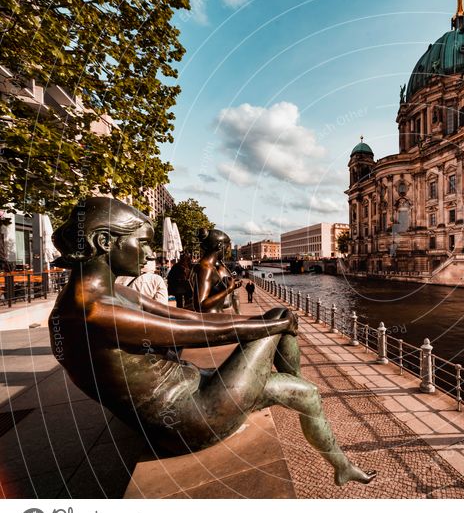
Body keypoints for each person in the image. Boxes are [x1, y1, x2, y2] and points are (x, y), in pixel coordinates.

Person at [49, 198, 375, 485]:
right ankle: (292, 379)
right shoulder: (93, 311)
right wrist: (269, 322)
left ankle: (342, 467)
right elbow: (198, 333)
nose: (151, 252)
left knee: (308, 393)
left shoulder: (117, 293)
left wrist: (257, 321)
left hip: (196, 392)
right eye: (143, 243)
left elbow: (190, 318)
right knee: (278, 317)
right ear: (105, 241)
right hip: (189, 420)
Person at [189, 229, 240, 313]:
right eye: (226, 247)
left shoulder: (208, 266)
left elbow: (210, 292)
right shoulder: (206, 268)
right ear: (220, 246)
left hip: (215, 317)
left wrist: (226, 285)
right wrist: (229, 289)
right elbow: (200, 305)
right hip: (211, 320)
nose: (227, 251)